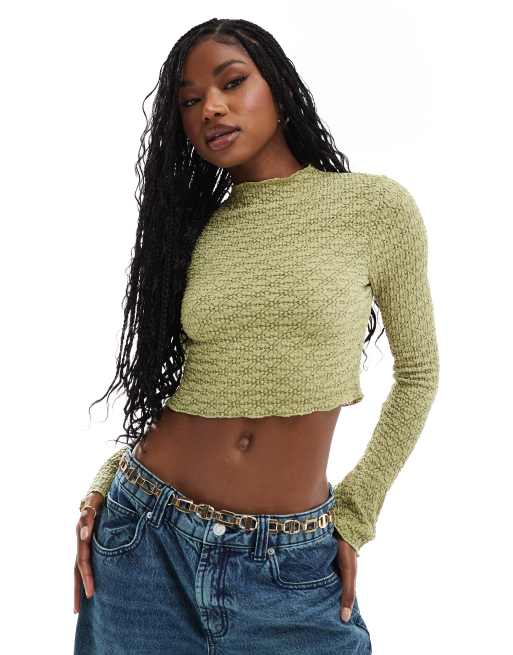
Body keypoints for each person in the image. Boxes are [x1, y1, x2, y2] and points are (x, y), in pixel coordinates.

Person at [73, 17, 439, 655]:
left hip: (291, 562)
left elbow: (418, 375)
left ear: (279, 87)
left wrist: (355, 513)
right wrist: (109, 479)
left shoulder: (374, 209)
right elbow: (176, 381)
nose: (211, 108)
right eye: (190, 101)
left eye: (232, 82)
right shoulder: (191, 230)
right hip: (146, 540)